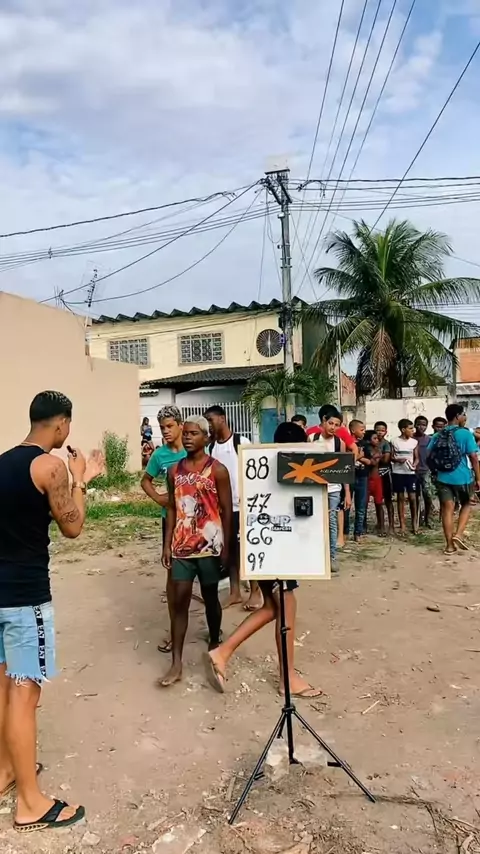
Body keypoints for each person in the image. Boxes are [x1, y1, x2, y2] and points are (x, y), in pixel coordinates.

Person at [0, 391, 103, 832]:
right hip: (26, 600)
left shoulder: (2, 462)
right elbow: (73, 526)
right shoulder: (50, 467)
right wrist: (81, 479)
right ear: (61, 424)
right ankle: (30, 803)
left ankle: (5, 771)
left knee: (3, 688)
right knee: (24, 694)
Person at [203, 421, 322, 698]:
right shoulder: (290, 471)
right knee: (286, 609)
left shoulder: (261, 467)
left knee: (272, 607)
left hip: (259, 547)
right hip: (276, 551)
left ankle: (223, 652)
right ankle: (287, 678)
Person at [160, 417, 232, 687]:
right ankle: (176, 663)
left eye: (194, 433)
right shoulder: (174, 471)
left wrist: (226, 548)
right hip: (182, 547)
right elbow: (171, 507)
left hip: (209, 547)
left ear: (206, 437)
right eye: (186, 433)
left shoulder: (218, 471)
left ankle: (214, 640)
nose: (188, 437)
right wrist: (167, 544)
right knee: (179, 602)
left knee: (210, 597)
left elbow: (226, 511)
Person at [141, 406, 186, 654]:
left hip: (197, 522)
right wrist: (159, 498)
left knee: (204, 574)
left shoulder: (194, 449)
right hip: (171, 521)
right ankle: (173, 630)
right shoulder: (160, 455)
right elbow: (145, 481)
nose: (165, 431)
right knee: (173, 575)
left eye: (169, 426)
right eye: (162, 428)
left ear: (180, 425)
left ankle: (214, 631)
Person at [203, 406, 253, 609]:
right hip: (223, 509)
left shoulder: (241, 442)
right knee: (230, 550)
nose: (208, 424)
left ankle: (256, 592)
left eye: (211, 419)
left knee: (247, 549)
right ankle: (235, 592)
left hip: (244, 506)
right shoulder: (212, 448)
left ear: (222, 418)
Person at [428, 403, 480, 554]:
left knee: (447, 510)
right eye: (463, 414)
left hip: (442, 477)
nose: (465, 417)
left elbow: (428, 456)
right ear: (457, 416)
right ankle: (458, 534)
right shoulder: (465, 434)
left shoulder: (438, 435)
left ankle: (449, 546)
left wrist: (436, 471)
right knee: (467, 503)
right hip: (463, 477)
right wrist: (478, 478)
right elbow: (474, 457)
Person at [312, 406, 351, 570]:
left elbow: (343, 469)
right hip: (314, 488)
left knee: (332, 522)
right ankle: (316, 557)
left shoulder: (339, 443)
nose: (333, 427)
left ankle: (332, 557)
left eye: (337, 425)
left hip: (334, 489)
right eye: (331, 423)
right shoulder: (312, 438)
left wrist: (347, 493)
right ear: (324, 421)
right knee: (314, 521)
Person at [391, 419, 419, 535]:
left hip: (410, 473)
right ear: (403, 429)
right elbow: (391, 457)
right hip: (398, 472)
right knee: (400, 498)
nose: (413, 430)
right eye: (410, 428)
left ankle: (414, 523)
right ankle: (402, 524)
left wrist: (414, 465)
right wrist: (398, 460)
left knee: (412, 498)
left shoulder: (414, 442)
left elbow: (417, 458)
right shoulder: (394, 441)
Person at [348, 420, 368, 542]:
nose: (364, 432)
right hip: (349, 476)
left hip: (362, 476)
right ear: (353, 430)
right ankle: (345, 532)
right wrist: (359, 456)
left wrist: (356, 457)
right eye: (361, 430)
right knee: (346, 505)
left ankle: (358, 532)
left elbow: (369, 460)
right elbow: (346, 460)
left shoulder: (365, 443)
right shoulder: (346, 443)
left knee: (361, 506)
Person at [414, 416, 435, 528]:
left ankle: (428, 518)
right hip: (413, 471)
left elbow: (432, 455)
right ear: (415, 425)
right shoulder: (411, 438)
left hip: (426, 470)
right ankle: (417, 519)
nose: (421, 427)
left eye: (424, 425)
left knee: (428, 495)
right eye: (419, 424)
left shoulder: (429, 440)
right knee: (415, 496)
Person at [374, 421, 394, 535]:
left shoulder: (386, 444)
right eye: (378, 430)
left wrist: (375, 457)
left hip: (385, 474)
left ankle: (391, 525)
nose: (380, 432)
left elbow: (386, 460)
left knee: (388, 500)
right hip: (375, 475)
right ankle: (380, 524)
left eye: (382, 430)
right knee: (378, 501)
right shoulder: (372, 444)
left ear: (386, 432)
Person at [363, 430, 384, 536]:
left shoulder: (377, 449)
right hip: (367, 478)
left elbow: (375, 462)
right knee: (364, 504)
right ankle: (363, 526)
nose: (377, 440)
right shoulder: (365, 449)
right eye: (374, 438)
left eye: (377, 438)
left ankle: (381, 526)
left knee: (379, 503)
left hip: (376, 478)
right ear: (368, 440)